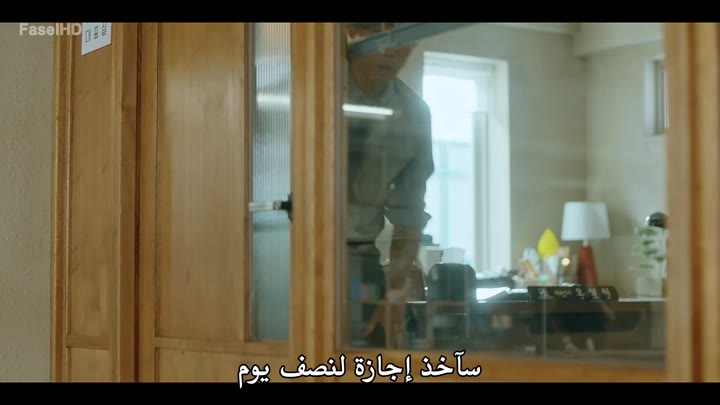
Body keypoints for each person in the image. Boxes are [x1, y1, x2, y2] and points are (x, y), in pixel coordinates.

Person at [344, 23, 435, 348]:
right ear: (353, 32)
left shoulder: (413, 114)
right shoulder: (310, 89)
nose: (390, 50)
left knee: (359, 353)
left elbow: (410, 212)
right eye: (378, 35)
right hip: (283, 251)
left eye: (403, 39)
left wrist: (395, 294)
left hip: (358, 260)